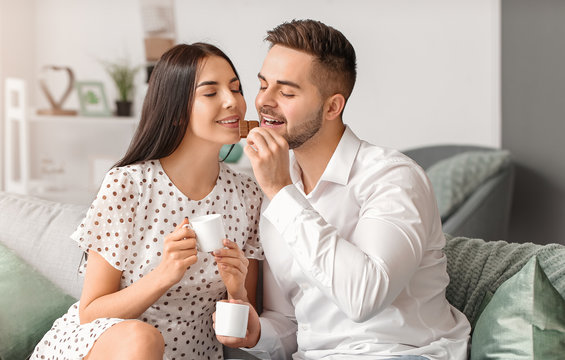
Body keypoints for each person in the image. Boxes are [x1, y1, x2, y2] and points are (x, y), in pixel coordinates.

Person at [216, 19, 471, 360]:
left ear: (333, 106)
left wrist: (281, 191)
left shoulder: (392, 178)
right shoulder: (274, 196)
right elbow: (293, 323)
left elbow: (364, 297)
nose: (265, 101)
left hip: (401, 353)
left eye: (287, 92)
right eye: (263, 85)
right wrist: (257, 333)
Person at [32, 43, 263, 360]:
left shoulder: (247, 196)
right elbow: (90, 313)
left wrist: (238, 293)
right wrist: (164, 275)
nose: (232, 101)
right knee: (143, 340)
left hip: (193, 353)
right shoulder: (128, 185)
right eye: (211, 93)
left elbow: (245, 335)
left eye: (236, 89)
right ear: (176, 111)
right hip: (103, 348)